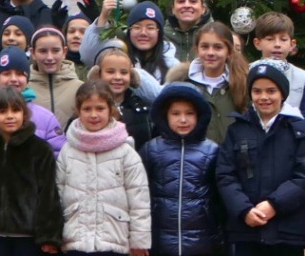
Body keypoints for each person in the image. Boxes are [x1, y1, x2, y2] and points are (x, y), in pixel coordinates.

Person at [216, 63, 305, 256]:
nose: (264, 97)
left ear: (282, 93)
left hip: (288, 230)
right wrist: (244, 210)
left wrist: (273, 205)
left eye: (271, 91)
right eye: (257, 91)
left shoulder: (301, 130)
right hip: (246, 230)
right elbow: (225, 175)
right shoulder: (237, 130)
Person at [0, 85, 63, 255]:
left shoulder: (39, 149)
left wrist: (49, 236)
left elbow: (49, 195)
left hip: (28, 238)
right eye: (2, 111)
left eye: (15, 110)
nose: (9, 116)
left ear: (24, 114)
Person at [57, 80, 152, 256]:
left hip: (114, 241)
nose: (94, 115)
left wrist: (139, 241)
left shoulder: (125, 152)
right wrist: (54, 236)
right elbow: (58, 194)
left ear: (111, 110)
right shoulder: (68, 151)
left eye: (100, 108)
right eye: (87, 109)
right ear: (78, 111)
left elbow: (139, 200)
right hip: (75, 241)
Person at [139, 83, 220, 256]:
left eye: (189, 113)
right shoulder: (150, 149)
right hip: (159, 239)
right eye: (175, 113)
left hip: (203, 240)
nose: (183, 120)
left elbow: (220, 199)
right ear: (165, 116)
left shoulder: (212, 151)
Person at [0, 47, 65, 155]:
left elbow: (58, 156)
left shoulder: (46, 118)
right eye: (6, 73)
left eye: (19, 74)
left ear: (27, 79)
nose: (13, 79)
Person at [165, 21, 247, 144]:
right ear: (197, 49)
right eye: (205, 46)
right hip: (195, 158)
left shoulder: (243, 83)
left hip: (233, 158)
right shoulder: (182, 83)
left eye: (218, 47)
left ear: (229, 51)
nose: (210, 53)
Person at [81, 0, 176, 98]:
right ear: (129, 30)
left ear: (159, 33)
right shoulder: (117, 54)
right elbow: (87, 55)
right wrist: (103, 18)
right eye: (137, 27)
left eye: (150, 28)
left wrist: (132, 73)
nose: (143, 33)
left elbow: (165, 97)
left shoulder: (173, 65)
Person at [250, 13, 305, 132]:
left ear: (292, 44)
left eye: (283, 39)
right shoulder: (245, 72)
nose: (277, 45)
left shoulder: (304, 78)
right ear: (258, 43)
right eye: (270, 39)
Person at [90, 45, 153, 150]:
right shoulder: (88, 107)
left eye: (124, 72)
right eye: (110, 72)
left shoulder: (142, 110)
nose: (118, 77)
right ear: (98, 74)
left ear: (131, 76)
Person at [28, 26, 83, 129]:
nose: (49, 57)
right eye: (43, 51)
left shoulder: (80, 88)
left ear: (64, 52)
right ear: (33, 53)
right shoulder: (24, 88)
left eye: (55, 50)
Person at [162, 0, 212, 64]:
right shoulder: (162, 38)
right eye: (181, 1)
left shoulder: (217, 36)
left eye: (193, 1)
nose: (187, 5)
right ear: (173, 9)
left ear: (203, 8)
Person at [64, 13, 92, 81]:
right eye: (71, 31)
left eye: (83, 32)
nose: (76, 35)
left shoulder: (98, 63)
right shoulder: (56, 64)